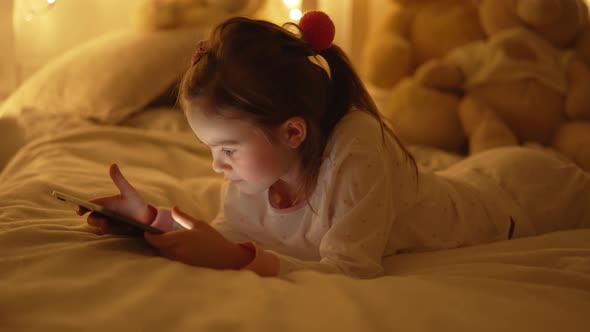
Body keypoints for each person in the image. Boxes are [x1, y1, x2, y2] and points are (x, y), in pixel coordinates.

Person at [78, 12, 590, 279]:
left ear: (293, 133)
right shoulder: (258, 168)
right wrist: (152, 224)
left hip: (520, 197)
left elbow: (350, 270)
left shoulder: (356, 149)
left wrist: (235, 260)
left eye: (228, 149)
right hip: (480, 175)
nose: (217, 165)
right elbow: (236, 233)